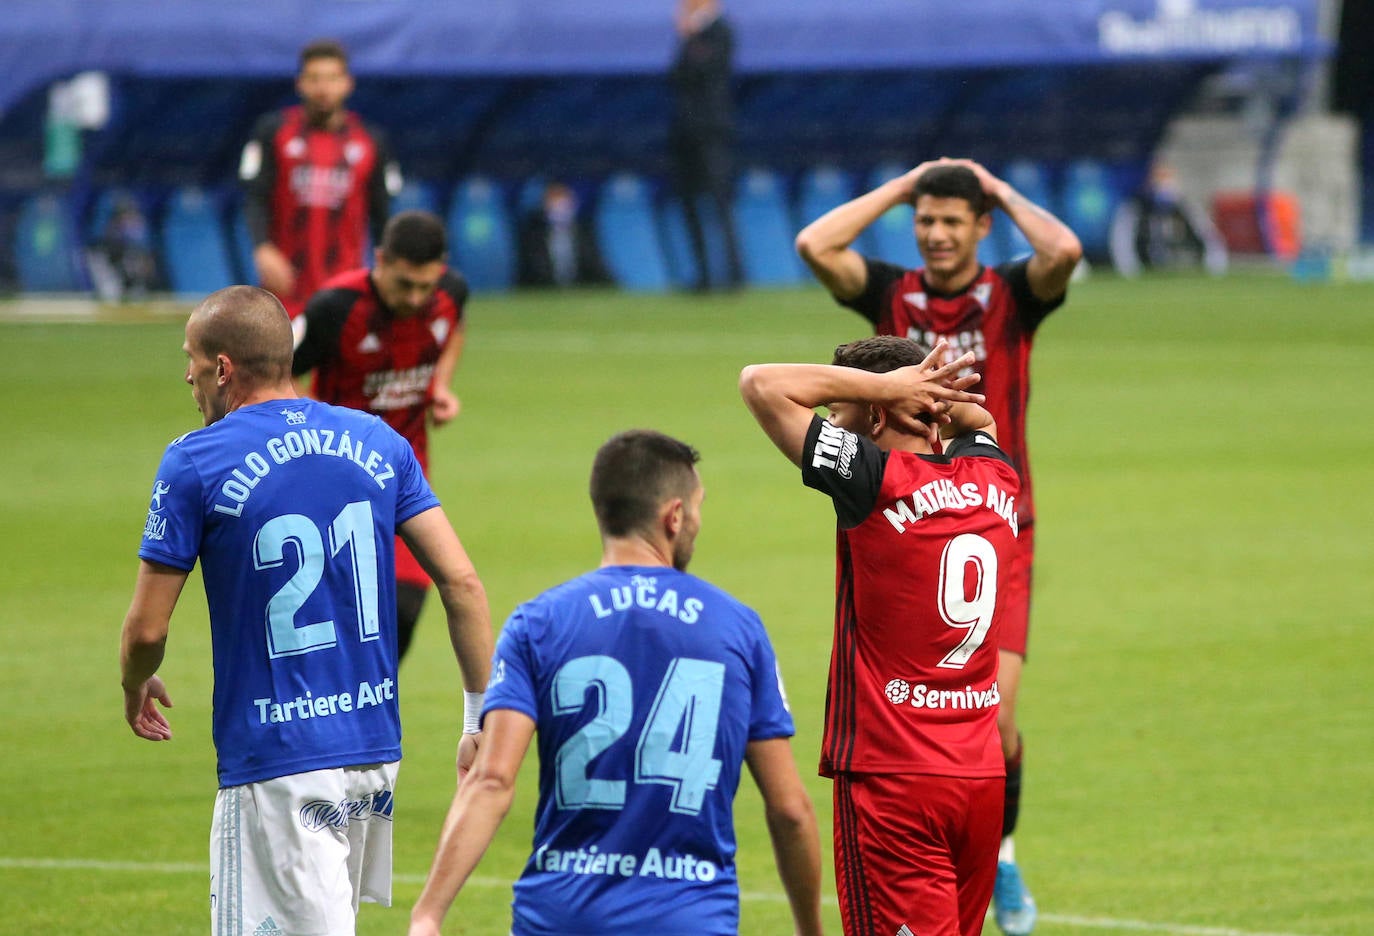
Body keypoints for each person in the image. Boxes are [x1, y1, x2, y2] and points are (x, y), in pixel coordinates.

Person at [119, 286, 492, 936]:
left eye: (193, 358)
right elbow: (462, 583)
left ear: (224, 367)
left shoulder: (195, 460)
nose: (187, 373)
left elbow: (148, 628)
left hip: (280, 759)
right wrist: (476, 718)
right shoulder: (377, 441)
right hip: (373, 752)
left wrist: (133, 678)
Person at [794, 158, 1082, 935]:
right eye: (926, 220)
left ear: (981, 227)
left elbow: (1064, 254)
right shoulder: (891, 292)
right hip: (908, 508)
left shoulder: (1009, 294)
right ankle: (974, 849)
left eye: (954, 220)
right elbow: (815, 245)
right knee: (954, 702)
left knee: (996, 712)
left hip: (995, 520)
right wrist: (899, 184)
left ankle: (1005, 853)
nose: (938, 234)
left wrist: (1003, 189)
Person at [408, 430, 824, 936]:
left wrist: (428, 914)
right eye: (696, 507)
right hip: (690, 919)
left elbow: (491, 781)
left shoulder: (538, 623)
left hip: (561, 916)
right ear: (674, 517)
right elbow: (789, 810)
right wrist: (809, 929)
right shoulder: (737, 628)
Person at [740, 335, 1018, 936]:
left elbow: (760, 384)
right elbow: (982, 417)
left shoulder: (876, 479)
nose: (831, 415)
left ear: (873, 412)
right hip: (979, 779)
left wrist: (890, 388)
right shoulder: (997, 477)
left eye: (840, 407)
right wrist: (926, 394)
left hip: (895, 782)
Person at [291, 210, 467, 661]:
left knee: (404, 610)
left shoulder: (452, 294)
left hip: (405, 483)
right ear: (381, 259)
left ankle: (364, 707)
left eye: (425, 286)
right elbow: (273, 373)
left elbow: (454, 332)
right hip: (332, 487)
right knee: (340, 626)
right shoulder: (334, 308)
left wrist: (439, 385)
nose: (415, 298)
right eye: (404, 283)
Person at [239, 39, 401, 317]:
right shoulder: (273, 132)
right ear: (300, 83)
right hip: (284, 293)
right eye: (314, 79)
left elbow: (382, 214)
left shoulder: (371, 141)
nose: (323, 88)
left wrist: (389, 270)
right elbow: (255, 198)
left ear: (347, 83)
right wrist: (262, 248)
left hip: (345, 292)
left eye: (332, 78)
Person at [668, 0, 744, 291]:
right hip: (685, 133)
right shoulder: (688, 35)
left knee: (720, 201)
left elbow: (707, 69)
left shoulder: (720, 31)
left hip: (712, 132)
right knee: (689, 203)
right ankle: (703, 275)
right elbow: (675, 76)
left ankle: (734, 273)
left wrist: (692, 35)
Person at [1110, 161, 1228, 278]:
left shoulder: (1185, 207)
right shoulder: (1135, 206)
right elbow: (1122, 240)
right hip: (1146, 268)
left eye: (1167, 179)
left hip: (1179, 269)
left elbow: (1208, 236)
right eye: (1159, 179)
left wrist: (1215, 266)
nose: (1164, 185)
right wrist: (1129, 269)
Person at [516, 180, 611, 288]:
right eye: (555, 205)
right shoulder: (533, 235)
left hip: (579, 288)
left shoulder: (584, 232)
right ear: (545, 207)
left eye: (564, 205)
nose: (560, 210)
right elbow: (529, 271)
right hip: (545, 289)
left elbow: (596, 265)